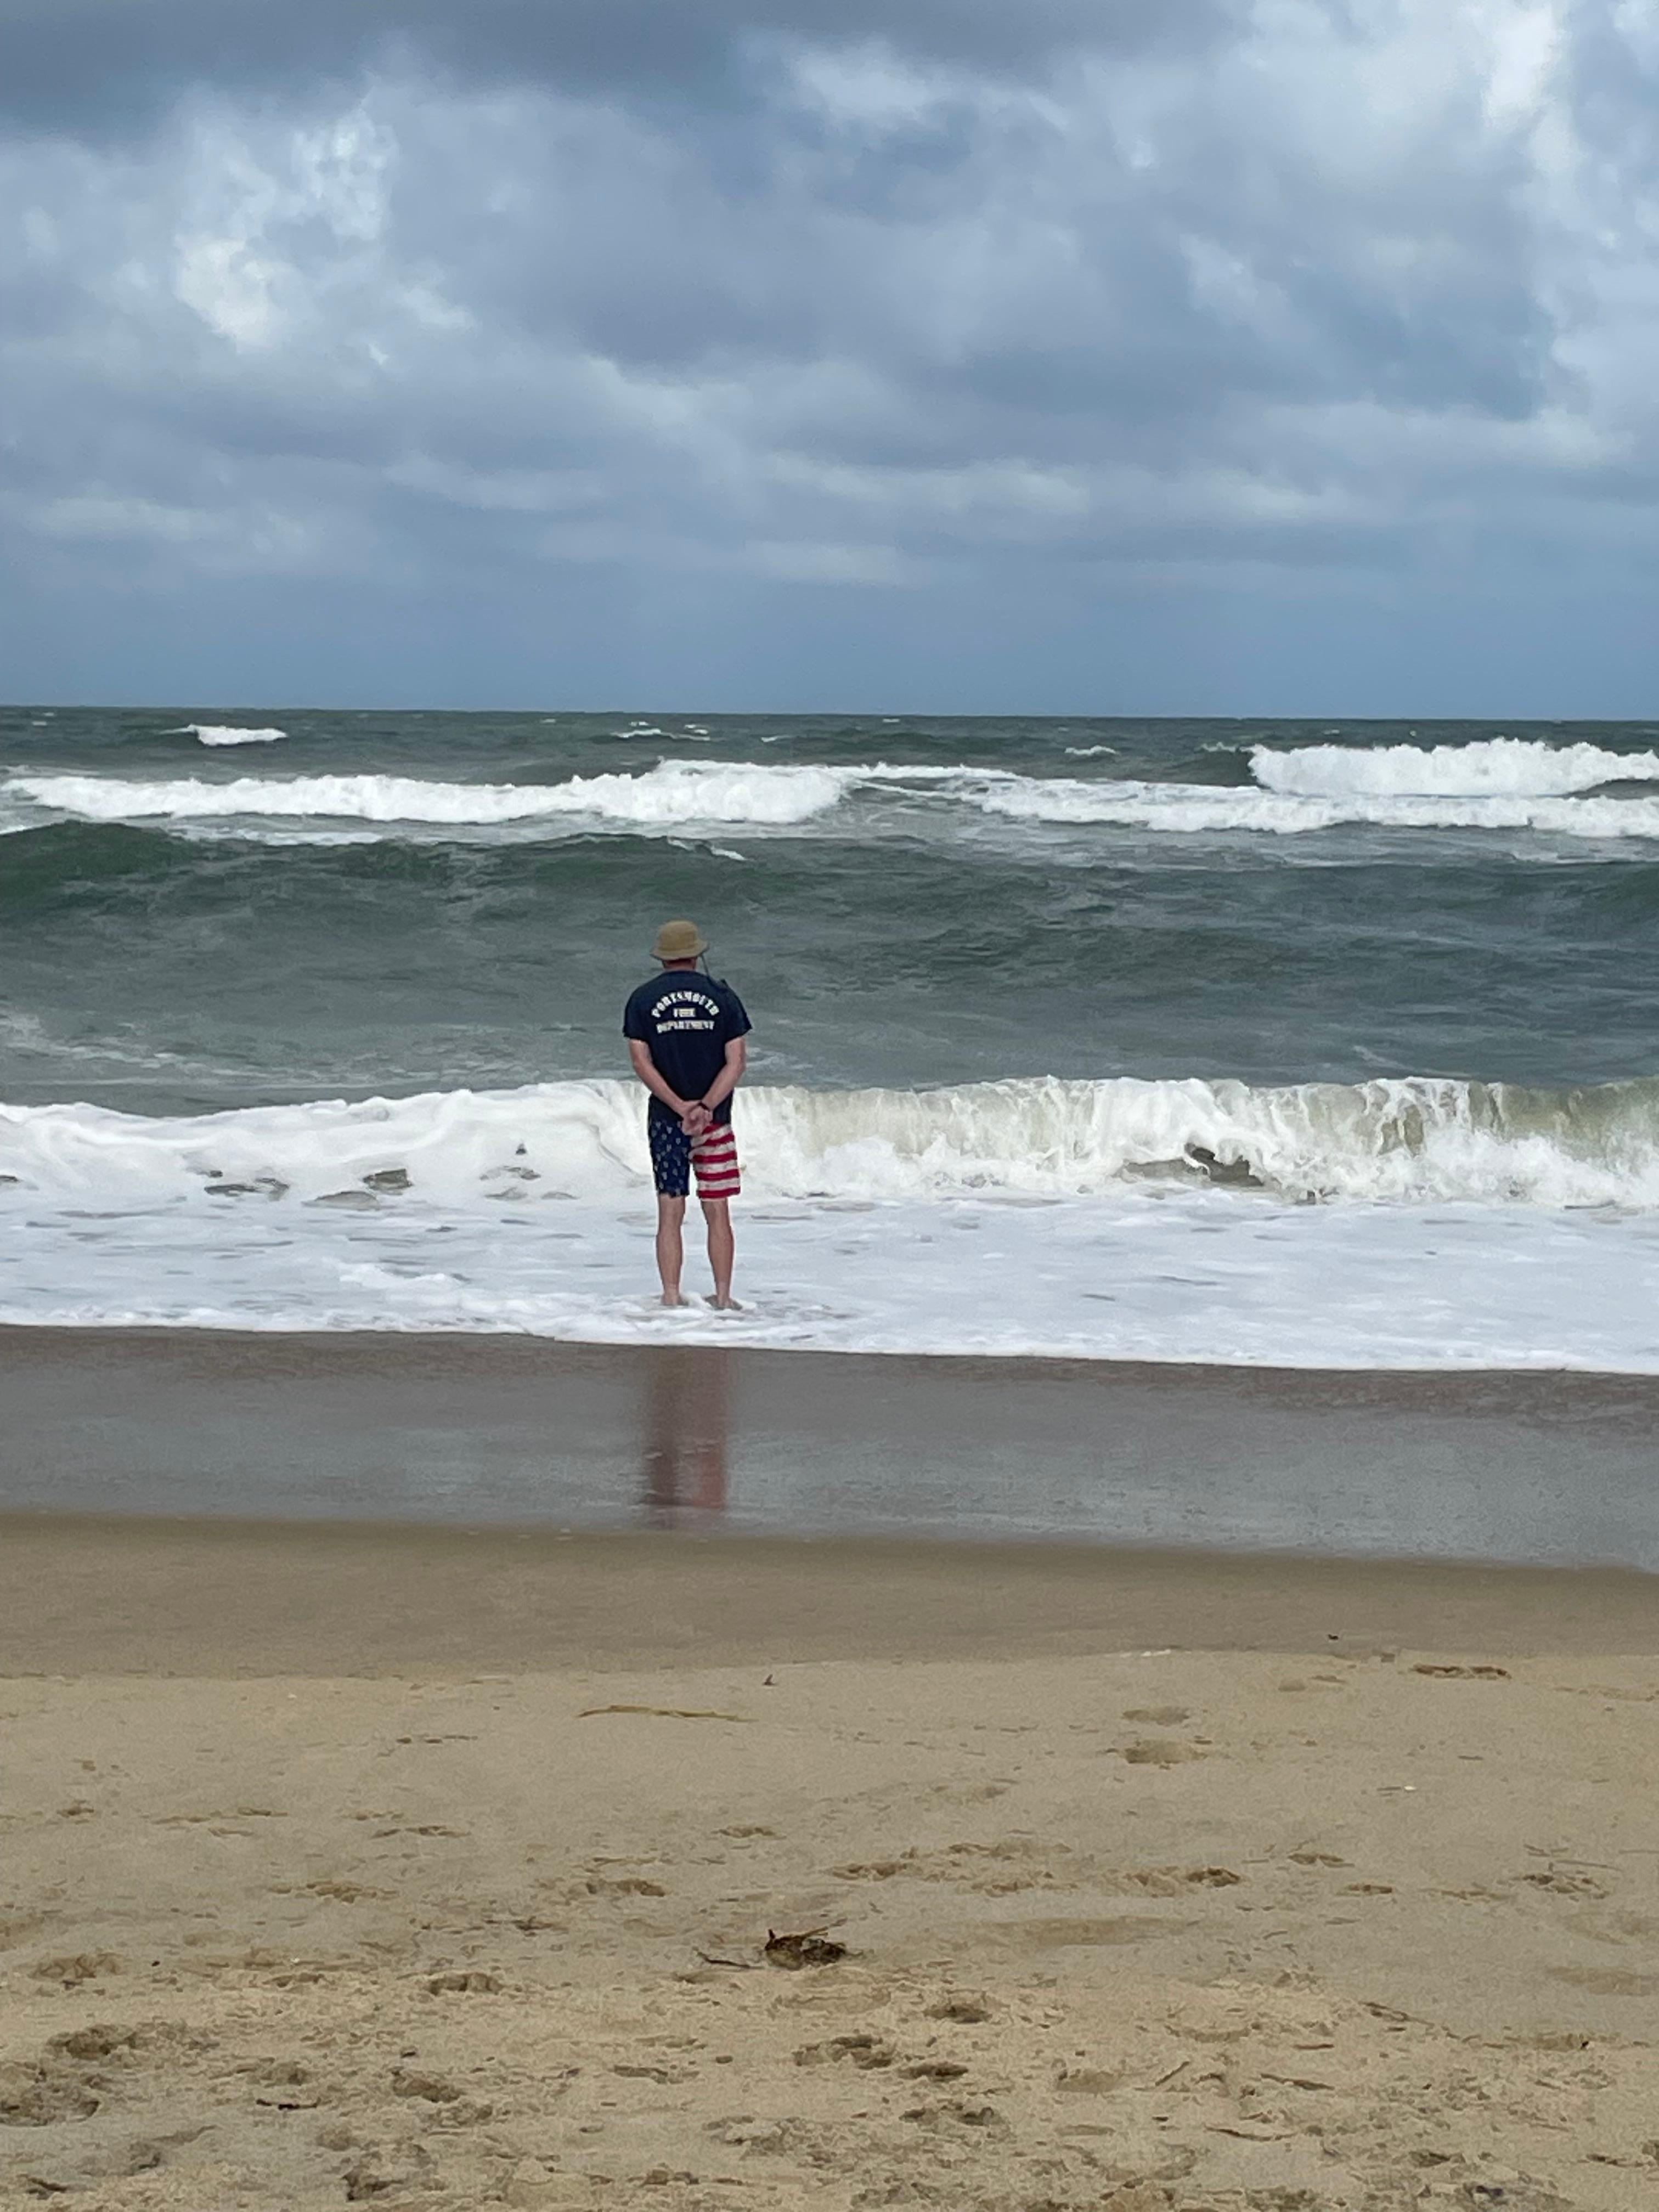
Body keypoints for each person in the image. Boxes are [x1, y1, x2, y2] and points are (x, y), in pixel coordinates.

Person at [623, 919, 751, 1309]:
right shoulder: (723, 997)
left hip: (667, 1118)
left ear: (662, 957)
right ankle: (724, 1298)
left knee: (670, 1209)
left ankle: (671, 1296)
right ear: (697, 954)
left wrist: (680, 1107)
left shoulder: (642, 999)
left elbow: (641, 1062)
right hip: (715, 1117)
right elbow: (736, 1063)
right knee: (717, 1209)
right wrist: (706, 1106)